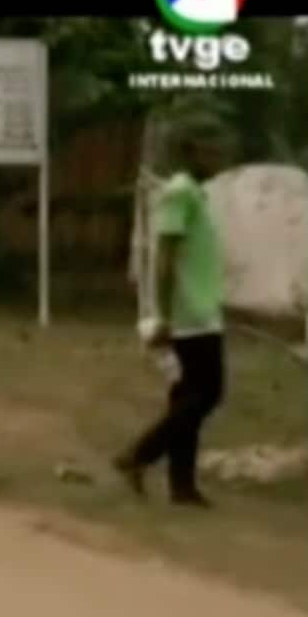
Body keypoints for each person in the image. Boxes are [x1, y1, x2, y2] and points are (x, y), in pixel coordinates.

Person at [114, 117, 230, 508]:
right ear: (192, 152)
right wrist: (163, 315)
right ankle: (137, 455)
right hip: (189, 314)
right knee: (208, 393)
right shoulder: (179, 192)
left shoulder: (195, 194)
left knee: (187, 398)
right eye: (212, 149)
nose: (220, 156)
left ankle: (182, 486)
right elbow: (165, 258)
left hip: (201, 309)